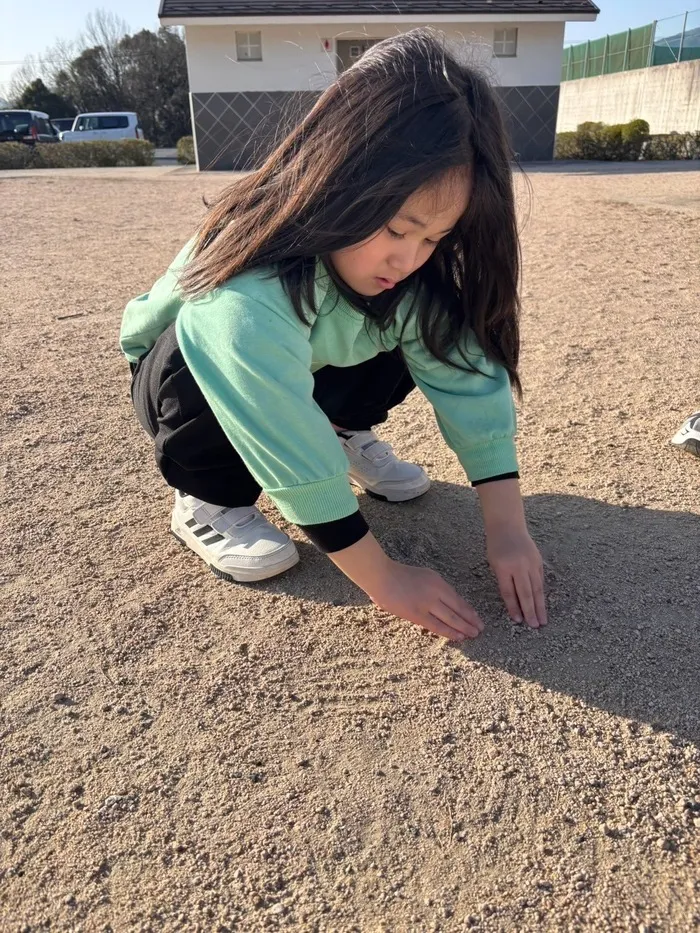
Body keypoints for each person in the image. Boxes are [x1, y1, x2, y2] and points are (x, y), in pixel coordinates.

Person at [120, 28, 547, 643]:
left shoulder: (401, 272)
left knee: (428, 320)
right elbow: (273, 417)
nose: (410, 257)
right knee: (226, 373)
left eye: (432, 239)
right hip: (186, 378)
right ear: (340, 178)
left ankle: (341, 431)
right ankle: (206, 497)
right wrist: (383, 577)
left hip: (302, 365)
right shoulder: (248, 285)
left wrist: (508, 529)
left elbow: (467, 376)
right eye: (400, 228)